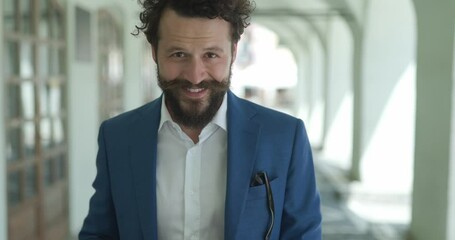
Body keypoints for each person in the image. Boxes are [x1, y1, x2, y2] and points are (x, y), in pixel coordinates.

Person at [79, 0, 322, 239]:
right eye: (178, 54)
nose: (195, 76)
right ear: (154, 52)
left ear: (234, 51)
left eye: (211, 55)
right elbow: (99, 233)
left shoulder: (284, 137)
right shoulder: (117, 137)